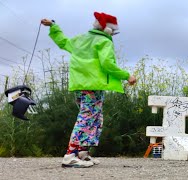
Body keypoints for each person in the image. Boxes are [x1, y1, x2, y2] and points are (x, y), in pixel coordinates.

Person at [41, 12, 136, 168]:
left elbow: (63, 42)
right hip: (93, 85)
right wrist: (127, 76)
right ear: (108, 30)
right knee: (87, 118)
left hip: (80, 85)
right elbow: (107, 64)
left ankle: (82, 153)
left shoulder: (81, 39)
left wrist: (53, 26)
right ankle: (70, 155)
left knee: (94, 118)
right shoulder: (104, 42)